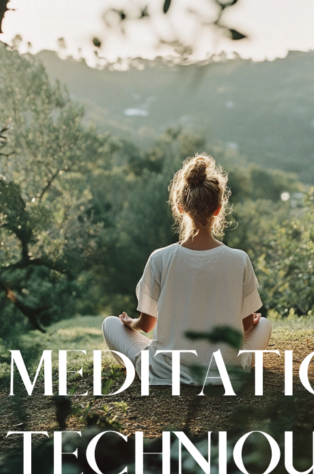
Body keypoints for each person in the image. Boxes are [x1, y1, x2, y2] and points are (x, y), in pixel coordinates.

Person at [102, 153, 272, 387]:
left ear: (180, 207)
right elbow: (242, 327)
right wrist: (249, 322)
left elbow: (147, 325)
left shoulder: (160, 258)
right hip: (224, 371)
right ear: (218, 209)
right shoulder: (239, 259)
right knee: (263, 324)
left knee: (110, 324)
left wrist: (130, 323)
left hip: (164, 372)